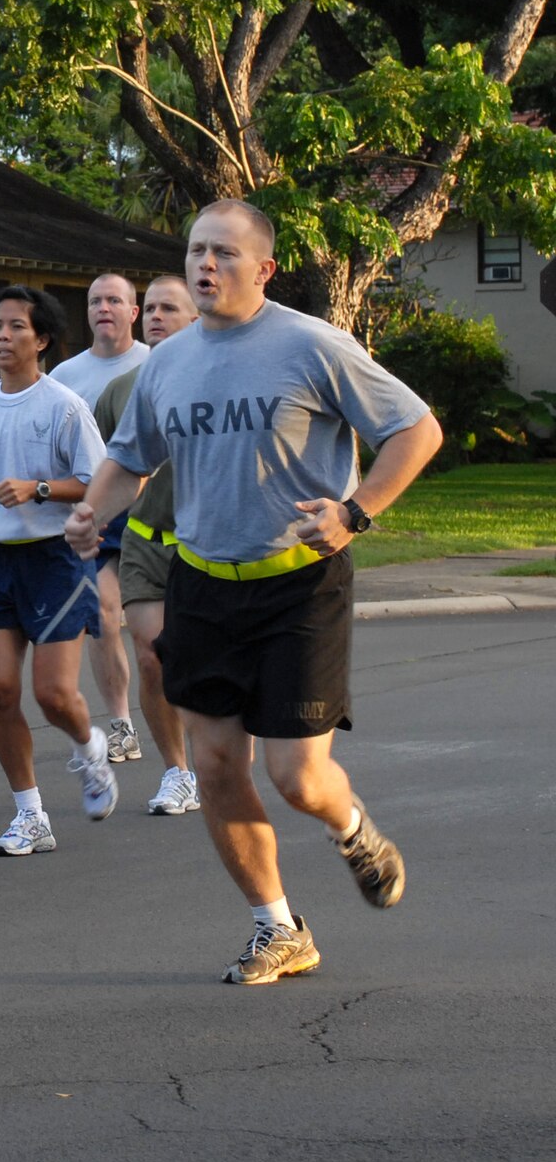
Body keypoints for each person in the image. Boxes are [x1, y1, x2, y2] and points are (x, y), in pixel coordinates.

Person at [68, 199, 440, 984]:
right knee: (215, 767)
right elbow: (131, 460)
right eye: (198, 250)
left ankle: (353, 828)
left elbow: (417, 430)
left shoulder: (311, 345)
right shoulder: (165, 364)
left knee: (297, 776)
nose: (207, 265)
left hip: (299, 584)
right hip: (202, 582)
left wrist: (355, 511)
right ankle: (278, 927)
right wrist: (88, 512)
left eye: (225, 254)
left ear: (263, 268)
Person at [0, 285, 113, 857]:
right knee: (3, 693)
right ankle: (30, 814)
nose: (2, 337)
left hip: (54, 559)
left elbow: (97, 480)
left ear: (42, 340)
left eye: (15, 327)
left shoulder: (63, 405)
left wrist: (39, 488)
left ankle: (90, 748)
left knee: (56, 694)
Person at [95, 276, 202, 816]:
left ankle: (219, 759)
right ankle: (178, 772)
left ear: (195, 318)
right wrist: (89, 517)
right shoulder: (122, 391)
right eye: (152, 307)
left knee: (204, 662)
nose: (156, 316)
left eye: (169, 308)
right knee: (154, 658)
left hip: (208, 545)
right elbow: (108, 469)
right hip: (143, 542)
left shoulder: (214, 379)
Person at [50, 273, 149, 766]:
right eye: (95, 301)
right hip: (101, 511)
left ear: (135, 312)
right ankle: (121, 725)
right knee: (104, 614)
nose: (104, 308)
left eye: (115, 300)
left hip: (157, 510)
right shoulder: (66, 376)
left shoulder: (156, 364)